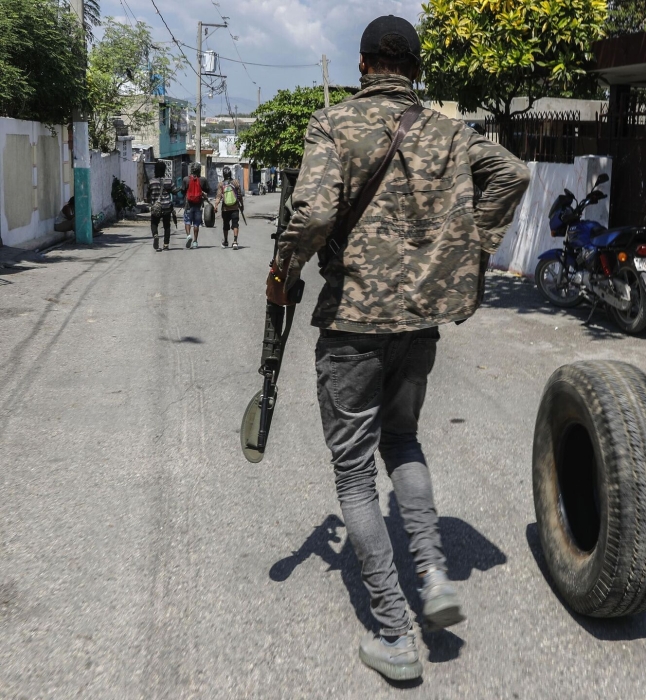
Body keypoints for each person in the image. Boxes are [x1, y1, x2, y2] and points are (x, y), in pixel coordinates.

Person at [265, 15, 529, 681]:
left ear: (362, 66)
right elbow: (515, 174)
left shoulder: (332, 124)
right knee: (404, 443)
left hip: (353, 327)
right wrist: (469, 247)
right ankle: (434, 577)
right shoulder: (447, 130)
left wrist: (285, 270)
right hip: (418, 325)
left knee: (355, 474)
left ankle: (394, 633)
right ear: (415, 68)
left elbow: (317, 212)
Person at [146, 162, 175, 251]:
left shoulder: (151, 181)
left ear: (155, 170)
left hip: (156, 207)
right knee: (167, 226)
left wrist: (151, 202)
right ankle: (166, 244)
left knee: (154, 223)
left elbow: (148, 194)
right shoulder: (169, 181)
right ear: (164, 170)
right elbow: (174, 191)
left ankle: (155, 235)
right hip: (166, 206)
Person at [214, 166, 244, 249]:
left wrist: (215, 206)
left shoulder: (221, 184)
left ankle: (226, 241)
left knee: (225, 225)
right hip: (235, 208)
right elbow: (239, 195)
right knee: (235, 225)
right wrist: (241, 205)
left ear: (223, 174)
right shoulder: (236, 182)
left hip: (225, 208)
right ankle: (235, 242)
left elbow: (218, 196)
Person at [181, 162, 208, 249]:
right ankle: (195, 242)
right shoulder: (203, 180)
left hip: (188, 204)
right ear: (199, 170)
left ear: (191, 170)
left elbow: (182, 191)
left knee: (187, 221)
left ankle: (188, 235)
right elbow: (209, 190)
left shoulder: (186, 179)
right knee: (196, 223)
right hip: (198, 205)